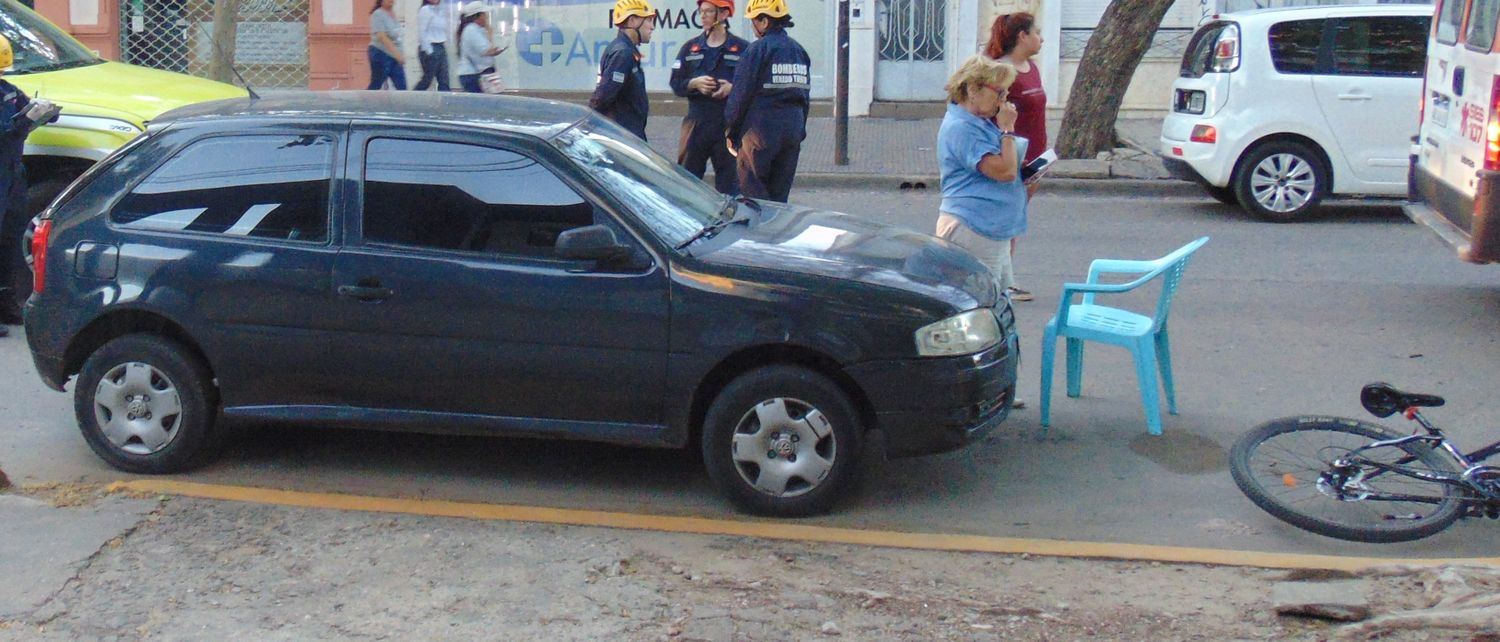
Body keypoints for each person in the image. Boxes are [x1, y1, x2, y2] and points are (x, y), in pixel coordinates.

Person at [935, 56, 1027, 311]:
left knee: (995, 301)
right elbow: (1004, 171)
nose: (1003, 101)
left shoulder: (979, 123)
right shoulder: (961, 128)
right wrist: (1007, 130)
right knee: (976, 305)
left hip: (991, 227)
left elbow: (1007, 167)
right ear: (973, 89)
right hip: (973, 226)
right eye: (999, 93)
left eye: (1006, 93)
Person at [983, 12, 1046, 302]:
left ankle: (1005, 280)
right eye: (1036, 32)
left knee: (1015, 220)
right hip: (1014, 157)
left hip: (1037, 158)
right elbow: (988, 115)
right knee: (1005, 220)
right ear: (1022, 36)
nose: (1040, 38)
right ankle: (1000, 283)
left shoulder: (1031, 67)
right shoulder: (1000, 72)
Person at [722, 0, 809, 203]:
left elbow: (740, 97)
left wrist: (730, 132)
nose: (753, 27)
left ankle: (758, 234)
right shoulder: (799, 51)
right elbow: (804, 98)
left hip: (759, 131)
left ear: (764, 21)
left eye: (754, 21)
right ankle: (775, 234)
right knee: (779, 200)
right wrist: (799, 131)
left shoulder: (757, 51)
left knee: (754, 199)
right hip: (792, 130)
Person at [0, 35, 56, 338]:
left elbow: (24, 108)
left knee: (10, 240)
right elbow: (6, 131)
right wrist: (23, 123)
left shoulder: (8, 91)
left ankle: (7, 303)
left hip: (12, 176)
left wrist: (44, 112)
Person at [669, 0, 749, 195]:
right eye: (701, 12)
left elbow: (751, 88)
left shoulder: (743, 49)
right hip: (696, 125)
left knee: (730, 187)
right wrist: (693, 84)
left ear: (723, 14)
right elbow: (675, 84)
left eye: (708, 12)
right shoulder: (690, 49)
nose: (703, 16)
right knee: (687, 185)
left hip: (727, 126)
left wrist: (733, 89)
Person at [590, 0, 657, 140]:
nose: (652, 27)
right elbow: (603, 96)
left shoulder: (627, 50)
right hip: (622, 135)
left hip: (627, 133)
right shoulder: (622, 53)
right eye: (649, 21)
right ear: (632, 21)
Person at [454, 2, 504, 94]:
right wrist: (490, 34)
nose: (486, 17)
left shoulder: (474, 29)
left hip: (473, 74)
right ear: (477, 16)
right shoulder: (472, 30)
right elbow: (486, 50)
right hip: (473, 75)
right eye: (484, 14)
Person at [367, 0, 407, 90]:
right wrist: (397, 54)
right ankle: (363, 103)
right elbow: (382, 36)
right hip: (381, 53)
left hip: (394, 56)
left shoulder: (392, 15)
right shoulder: (378, 14)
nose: (391, 1)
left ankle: (404, 104)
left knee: (402, 87)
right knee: (376, 84)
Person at [414, 0, 451, 91]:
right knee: (427, 79)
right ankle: (411, 99)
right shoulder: (425, 10)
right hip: (430, 46)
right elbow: (422, 31)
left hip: (441, 46)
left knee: (444, 80)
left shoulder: (441, 10)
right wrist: (429, 51)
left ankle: (444, 103)